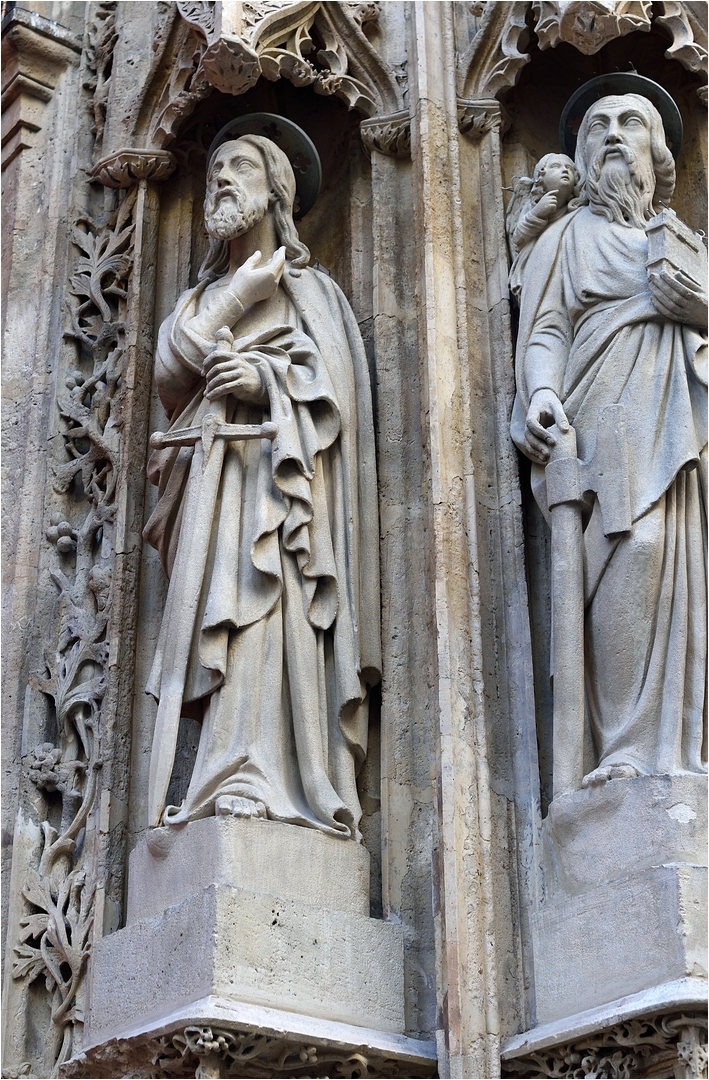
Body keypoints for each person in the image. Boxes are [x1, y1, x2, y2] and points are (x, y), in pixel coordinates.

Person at [144, 135, 381, 837]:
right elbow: (170, 372)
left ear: (276, 190)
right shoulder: (202, 297)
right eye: (214, 169)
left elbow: (339, 399)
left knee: (270, 613)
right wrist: (240, 295)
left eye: (239, 167)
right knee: (227, 610)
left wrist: (266, 382)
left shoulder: (311, 292)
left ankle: (270, 774)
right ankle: (223, 769)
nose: (221, 178)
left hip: (283, 490)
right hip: (211, 490)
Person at [511, 94, 707, 785]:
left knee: (686, 568)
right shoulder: (566, 238)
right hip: (604, 414)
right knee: (634, 551)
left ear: (657, 155)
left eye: (631, 124)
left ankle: (683, 751)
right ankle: (623, 747)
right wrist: (541, 392)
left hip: (684, 417)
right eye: (599, 127)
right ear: (583, 154)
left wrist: (700, 307)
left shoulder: (687, 244)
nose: (615, 136)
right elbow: (545, 329)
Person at [507, 154, 580, 301]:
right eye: (555, 166)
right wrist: (538, 212)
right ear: (541, 177)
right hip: (539, 267)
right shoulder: (532, 205)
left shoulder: (579, 210)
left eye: (569, 168)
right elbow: (518, 239)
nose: (564, 170)